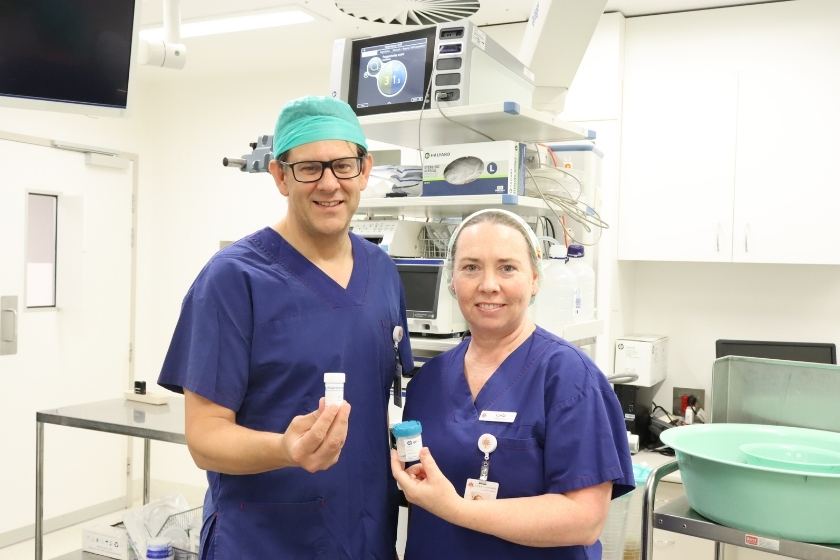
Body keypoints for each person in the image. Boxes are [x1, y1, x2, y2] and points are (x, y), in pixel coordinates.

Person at [158, 96, 413, 560]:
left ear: (365, 170)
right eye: (309, 168)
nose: (330, 183)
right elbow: (205, 439)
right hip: (264, 539)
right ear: (279, 176)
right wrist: (285, 448)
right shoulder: (232, 279)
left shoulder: (382, 271)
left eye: (344, 165)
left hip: (365, 535)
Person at [391, 209, 634, 560]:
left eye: (507, 267)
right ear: (452, 280)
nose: (489, 284)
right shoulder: (428, 381)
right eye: (471, 267)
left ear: (534, 279)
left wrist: (456, 508)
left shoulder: (569, 377)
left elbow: (585, 519)